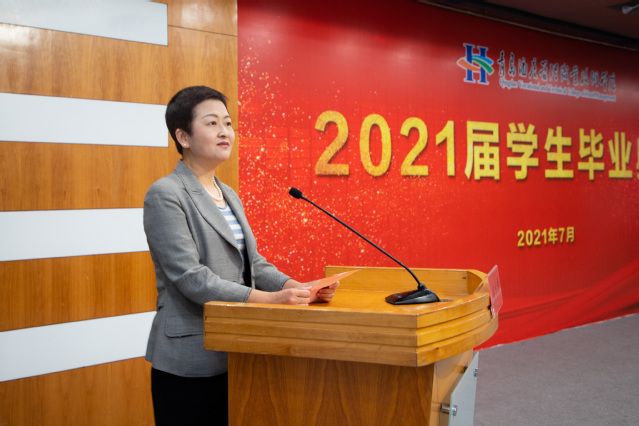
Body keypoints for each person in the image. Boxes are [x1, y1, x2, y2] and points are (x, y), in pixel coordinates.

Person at [143, 85, 337, 425]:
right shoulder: (166, 194)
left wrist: (299, 287)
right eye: (212, 123)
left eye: (228, 123)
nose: (225, 132)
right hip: (190, 360)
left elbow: (254, 263)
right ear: (183, 137)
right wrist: (270, 300)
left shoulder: (228, 194)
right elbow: (192, 278)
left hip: (238, 351)